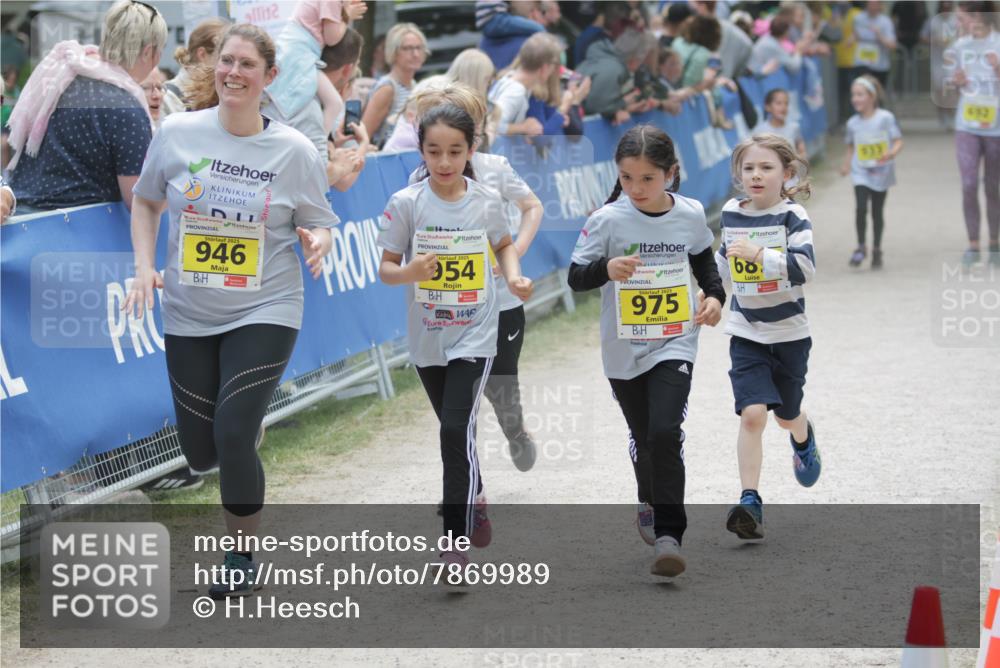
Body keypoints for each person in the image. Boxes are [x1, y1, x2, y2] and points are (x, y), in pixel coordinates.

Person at [123, 23, 338, 599]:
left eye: (247, 65)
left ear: (269, 77)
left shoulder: (292, 150)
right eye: (227, 61)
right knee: (202, 453)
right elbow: (145, 201)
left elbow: (320, 220)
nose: (233, 73)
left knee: (233, 431)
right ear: (212, 66)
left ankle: (240, 556)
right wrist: (143, 266)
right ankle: (242, 428)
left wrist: (317, 242)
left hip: (267, 303)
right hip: (189, 311)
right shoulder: (177, 133)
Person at [377, 104, 533, 574]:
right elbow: (386, 270)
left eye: (455, 151)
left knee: (453, 429)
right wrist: (411, 271)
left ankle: (453, 545)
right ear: (421, 151)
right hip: (428, 337)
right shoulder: (407, 202)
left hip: (476, 332)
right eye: (433, 152)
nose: (444, 162)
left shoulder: (485, 200)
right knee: (456, 430)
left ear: (470, 150)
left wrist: (514, 276)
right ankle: (475, 494)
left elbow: (503, 244)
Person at [568, 125, 725, 577]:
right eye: (627, 178)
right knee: (644, 436)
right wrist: (606, 268)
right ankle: (647, 496)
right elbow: (576, 277)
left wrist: (716, 298)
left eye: (648, 179)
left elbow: (704, 262)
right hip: (623, 349)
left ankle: (669, 537)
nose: (636, 188)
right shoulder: (607, 220)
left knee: (665, 431)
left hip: (675, 340)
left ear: (671, 173)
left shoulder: (690, 214)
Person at [407, 83, 545, 470]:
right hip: (448, 307)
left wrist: (515, 251)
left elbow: (532, 206)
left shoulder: (494, 169)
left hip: (499, 302)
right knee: (455, 408)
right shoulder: (419, 177)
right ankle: (469, 481)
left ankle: (514, 430)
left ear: (474, 131)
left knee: (501, 388)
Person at [715, 134, 818, 541]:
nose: (756, 175)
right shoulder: (731, 212)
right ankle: (749, 501)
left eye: (766, 168)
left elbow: (805, 268)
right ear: (739, 174)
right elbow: (724, 259)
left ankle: (803, 437)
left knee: (785, 416)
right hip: (747, 331)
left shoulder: (793, 216)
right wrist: (710, 294)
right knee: (753, 414)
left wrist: (762, 256)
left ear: (786, 173)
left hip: (790, 333)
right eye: (749, 168)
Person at [6, 0, 166, 212]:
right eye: (160, 50)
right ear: (148, 52)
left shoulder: (60, 79)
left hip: (18, 219)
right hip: (76, 227)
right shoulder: (126, 109)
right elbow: (141, 203)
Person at [946, 1, 1000, 265]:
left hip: (996, 127)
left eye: (961, 18)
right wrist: (956, 82)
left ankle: (995, 243)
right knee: (968, 184)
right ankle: (973, 244)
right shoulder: (959, 47)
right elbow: (950, 84)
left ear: (977, 16)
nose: (957, 23)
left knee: (993, 186)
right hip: (967, 124)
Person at [266, 0, 368, 140]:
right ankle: (319, 143)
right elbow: (332, 37)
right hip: (299, 56)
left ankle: (321, 143)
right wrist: (346, 16)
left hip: (297, 54)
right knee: (334, 103)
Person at [840, 74, 903, 269]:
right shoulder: (852, 123)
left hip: (881, 172)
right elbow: (851, 146)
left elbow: (898, 141)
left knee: (877, 212)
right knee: (860, 208)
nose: (855, 99)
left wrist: (891, 153)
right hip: (860, 172)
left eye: (860, 94)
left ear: (872, 96)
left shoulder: (885, 118)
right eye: (853, 95)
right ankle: (861, 247)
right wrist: (846, 164)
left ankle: (877, 249)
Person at [383, 48, 495, 153]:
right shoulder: (448, 94)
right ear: (477, 78)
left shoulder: (435, 83)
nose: (488, 84)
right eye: (487, 79)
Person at [362, 23, 428, 149]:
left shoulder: (414, 85)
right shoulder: (387, 88)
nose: (415, 54)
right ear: (393, 52)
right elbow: (364, 133)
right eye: (407, 48)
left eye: (419, 48)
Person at [577, 28, 658, 124]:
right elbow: (595, 107)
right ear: (635, 59)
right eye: (642, 59)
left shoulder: (604, 58)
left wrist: (624, 106)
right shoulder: (614, 70)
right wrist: (622, 105)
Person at [488, 32, 562, 137]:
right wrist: (523, 128)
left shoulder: (509, 77)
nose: (553, 71)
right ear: (545, 68)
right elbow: (492, 124)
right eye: (553, 67)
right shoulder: (516, 91)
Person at [163, 17, 229, 117]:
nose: (232, 68)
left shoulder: (221, 95)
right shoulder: (168, 97)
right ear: (202, 55)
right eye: (225, 59)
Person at [851, 1, 897, 89]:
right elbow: (854, 35)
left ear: (880, 6)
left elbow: (892, 45)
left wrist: (879, 36)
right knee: (863, 89)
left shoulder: (886, 22)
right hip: (862, 63)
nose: (872, 7)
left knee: (877, 92)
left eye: (875, 4)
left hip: (880, 65)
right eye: (870, 4)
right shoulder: (858, 18)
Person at [754, 88, 807, 159]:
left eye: (786, 103)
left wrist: (799, 160)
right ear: (767, 107)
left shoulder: (794, 127)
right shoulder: (760, 132)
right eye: (778, 103)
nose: (783, 107)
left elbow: (802, 150)